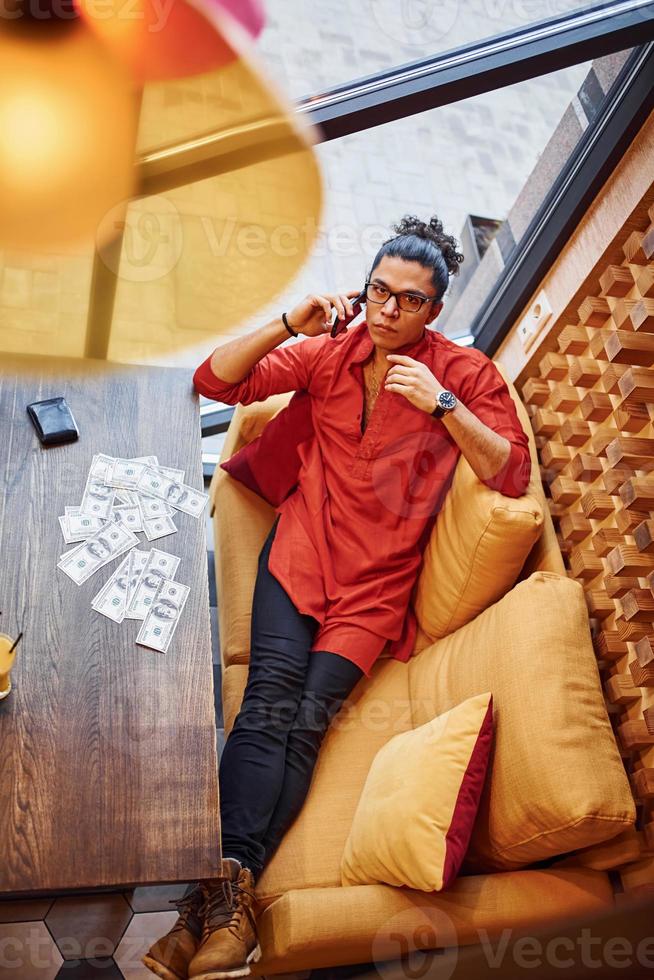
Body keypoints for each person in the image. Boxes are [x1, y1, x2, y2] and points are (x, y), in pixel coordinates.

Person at [142, 215, 532, 980]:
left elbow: (511, 473)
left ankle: (209, 906)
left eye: (408, 301)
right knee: (267, 704)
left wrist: (443, 406)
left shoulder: (462, 373)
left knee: (303, 727)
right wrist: (292, 320)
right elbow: (213, 381)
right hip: (301, 555)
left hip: (374, 592)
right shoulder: (333, 351)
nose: (386, 310)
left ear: (435, 310)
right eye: (378, 290)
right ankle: (228, 903)